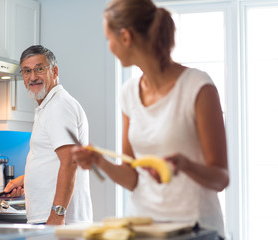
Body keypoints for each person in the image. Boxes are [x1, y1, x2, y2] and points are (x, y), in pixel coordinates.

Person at [71, 0, 229, 238]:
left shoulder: (198, 87)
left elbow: (221, 178)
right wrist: (99, 161)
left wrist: (184, 164)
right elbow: (133, 177)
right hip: (144, 227)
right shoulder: (129, 93)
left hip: (195, 228)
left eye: (109, 39)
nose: (109, 46)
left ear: (125, 37)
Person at [3, 45, 93, 225]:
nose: (33, 77)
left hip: (58, 220)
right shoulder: (49, 106)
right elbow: (54, 161)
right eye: (27, 71)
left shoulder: (58, 106)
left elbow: (70, 161)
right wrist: (25, 180)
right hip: (51, 218)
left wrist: (57, 214)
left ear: (55, 71)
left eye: (40, 69)